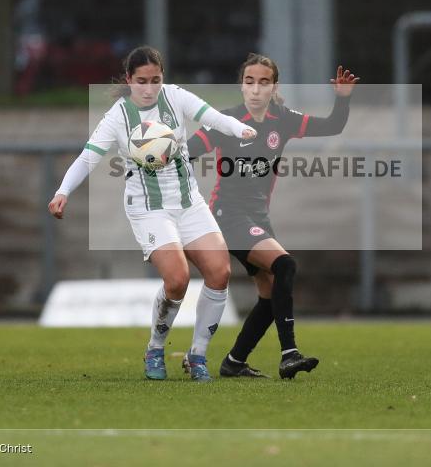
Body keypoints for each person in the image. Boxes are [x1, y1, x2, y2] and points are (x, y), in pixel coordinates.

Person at [48, 45, 256, 382]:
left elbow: (211, 116)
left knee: (220, 272)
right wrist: (62, 191)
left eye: (155, 80)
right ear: (129, 79)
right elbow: (88, 157)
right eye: (141, 81)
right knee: (177, 279)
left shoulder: (174, 96)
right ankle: (155, 348)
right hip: (149, 209)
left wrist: (239, 129)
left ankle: (197, 356)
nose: (149, 88)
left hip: (188, 203)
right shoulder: (118, 115)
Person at [185, 53, 359, 379]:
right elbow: (189, 151)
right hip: (228, 214)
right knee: (285, 265)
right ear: (241, 86)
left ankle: (234, 362)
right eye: (249, 82)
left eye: (263, 82)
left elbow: (333, 125)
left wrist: (343, 98)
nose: (256, 89)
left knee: (270, 294)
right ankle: (289, 353)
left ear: (274, 87)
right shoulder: (226, 121)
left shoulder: (283, 119)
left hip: (257, 217)